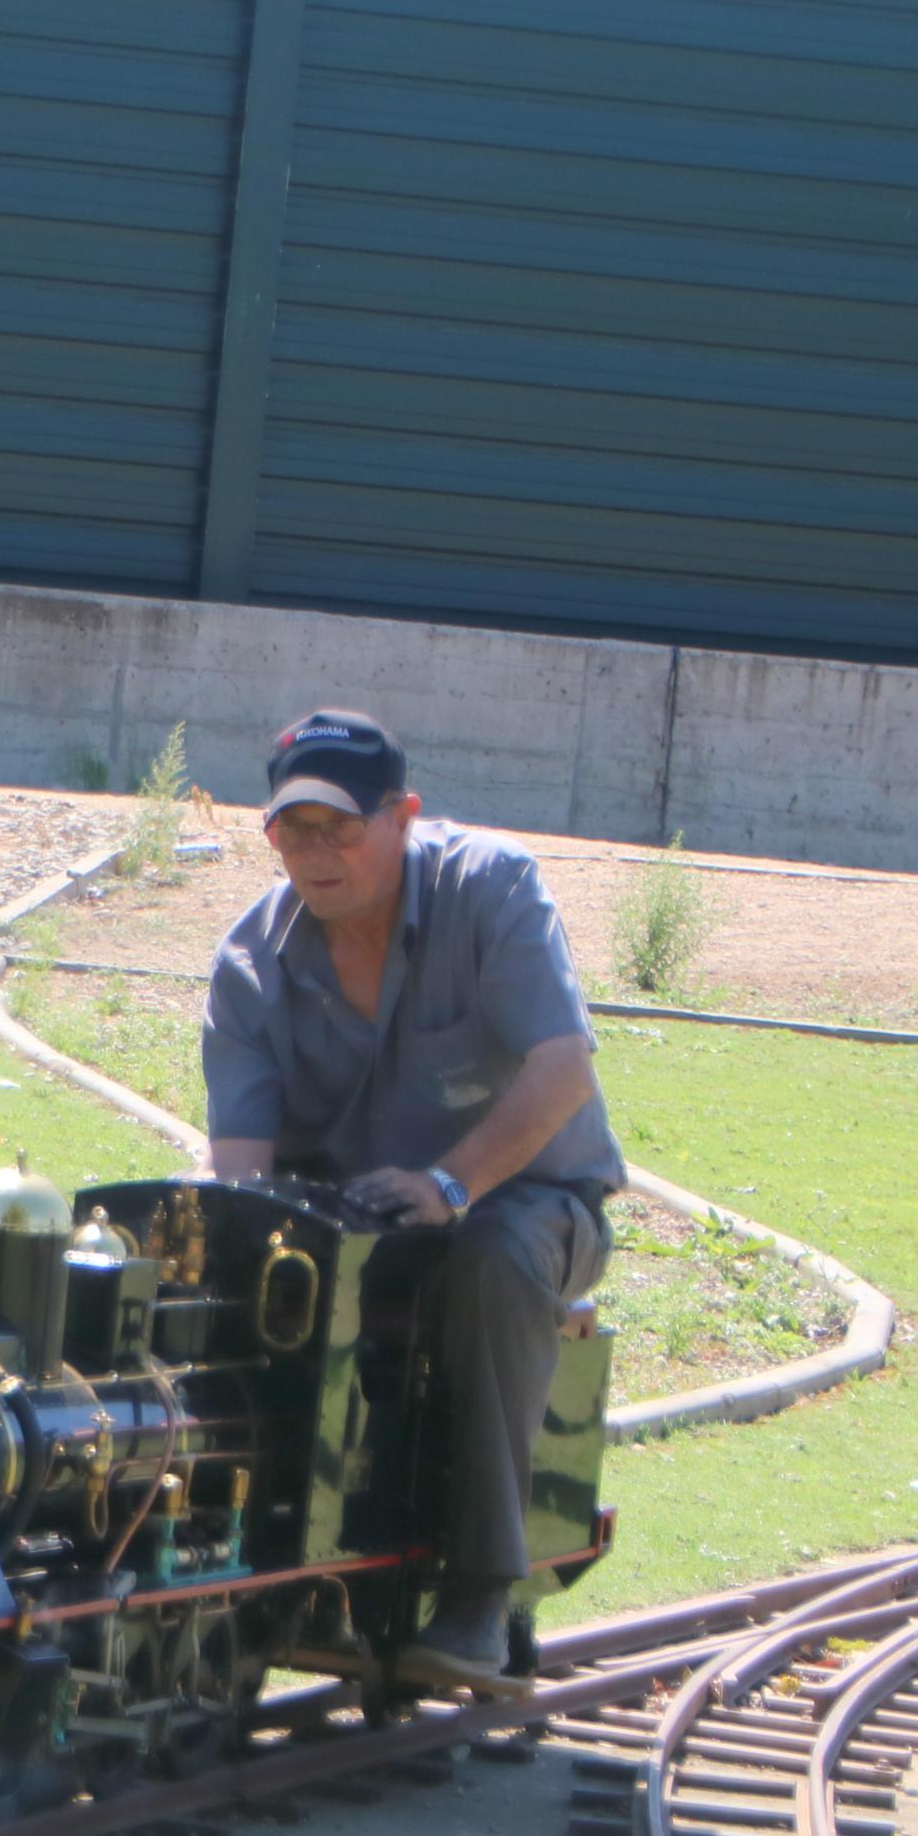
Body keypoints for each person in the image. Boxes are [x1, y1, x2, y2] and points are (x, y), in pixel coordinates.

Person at [199, 708, 624, 1695]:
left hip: (522, 1202)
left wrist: (448, 1185)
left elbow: (561, 1069)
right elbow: (240, 1172)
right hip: (351, 1214)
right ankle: (273, 1562)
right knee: (246, 1267)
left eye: (339, 828)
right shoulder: (247, 965)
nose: (314, 853)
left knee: (488, 1258)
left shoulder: (492, 887)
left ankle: (478, 1592)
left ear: (403, 816)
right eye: (290, 831)